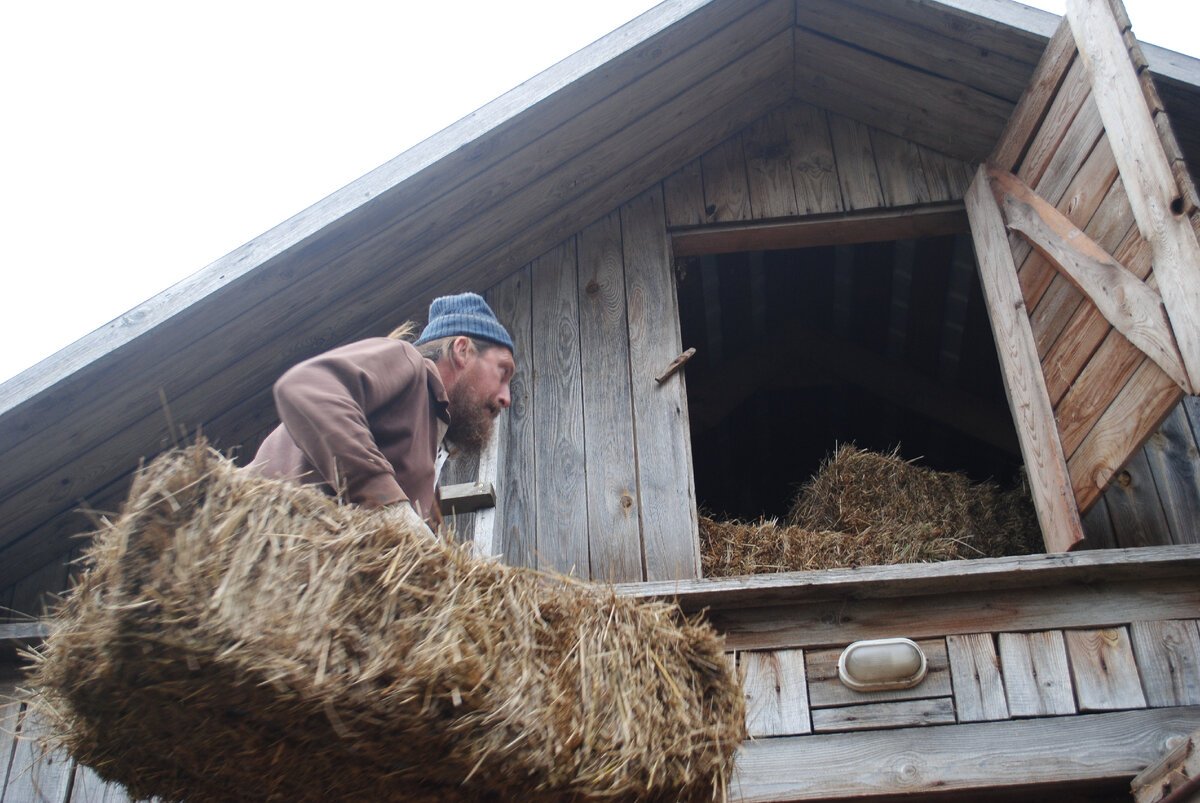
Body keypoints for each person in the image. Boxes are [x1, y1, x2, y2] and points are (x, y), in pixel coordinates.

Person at [246, 292, 514, 538]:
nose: (506, 398)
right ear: (462, 350)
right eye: (503, 372)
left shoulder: (430, 449)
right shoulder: (408, 363)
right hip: (265, 536)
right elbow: (305, 386)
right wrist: (387, 503)